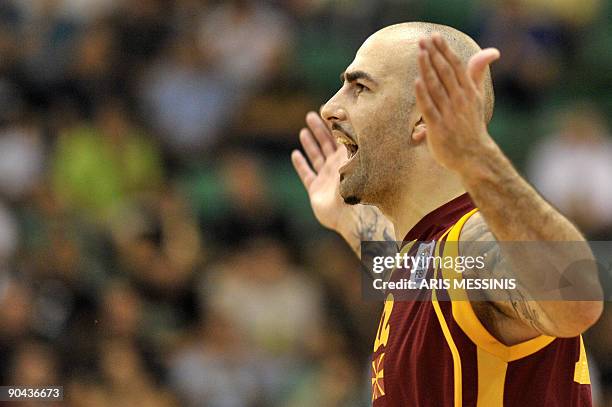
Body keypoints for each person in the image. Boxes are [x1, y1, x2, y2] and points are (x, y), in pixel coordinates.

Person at [291, 22, 603, 406]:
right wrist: (346, 219)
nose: (329, 108)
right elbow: (419, 272)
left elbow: (577, 299)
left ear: (424, 117)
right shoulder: (426, 255)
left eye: (360, 88)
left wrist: (479, 158)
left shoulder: (474, 242)